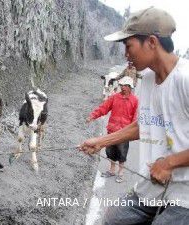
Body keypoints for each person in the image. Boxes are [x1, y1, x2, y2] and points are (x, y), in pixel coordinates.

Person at [79, 7, 189, 225]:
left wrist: (169, 163)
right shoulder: (147, 79)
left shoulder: (185, 79)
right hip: (152, 185)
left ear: (151, 42)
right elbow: (144, 125)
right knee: (113, 219)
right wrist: (101, 141)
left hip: (185, 193)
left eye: (128, 46)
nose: (125, 54)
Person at [86, 76, 138, 183]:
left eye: (125, 86)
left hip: (124, 133)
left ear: (130, 87)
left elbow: (135, 119)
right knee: (110, 152)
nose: (122, 87)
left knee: (122, 153)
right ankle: (112, 170)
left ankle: (121, 172)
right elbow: (103, 108)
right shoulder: (114, 97)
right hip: (112, 131)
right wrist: (93, 116)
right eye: (121, 85)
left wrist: (131, 133)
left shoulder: (135, 100)